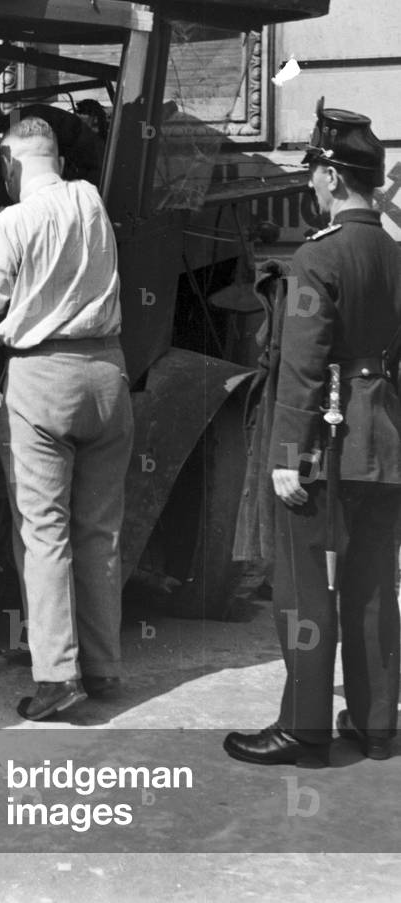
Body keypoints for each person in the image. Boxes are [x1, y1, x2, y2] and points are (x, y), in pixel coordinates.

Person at [224, 100, 401, 766]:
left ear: (330, 175)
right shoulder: (393, 252)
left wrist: (285, 454)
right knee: (372, 583)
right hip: (381, 438)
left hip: (321, 443)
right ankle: (376, 724)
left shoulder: (316, 256)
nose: (308, 183)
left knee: (301, 586)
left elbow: (299, 362)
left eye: (313, 170)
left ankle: (304, 729)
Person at [0, 115, 134, 721]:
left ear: (9, 162)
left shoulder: (10, 221)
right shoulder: (91, 200)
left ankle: (58, 678)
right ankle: (105, 666)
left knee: (45, 533)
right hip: (108, 378)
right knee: (99, 530)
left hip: (43, 379)